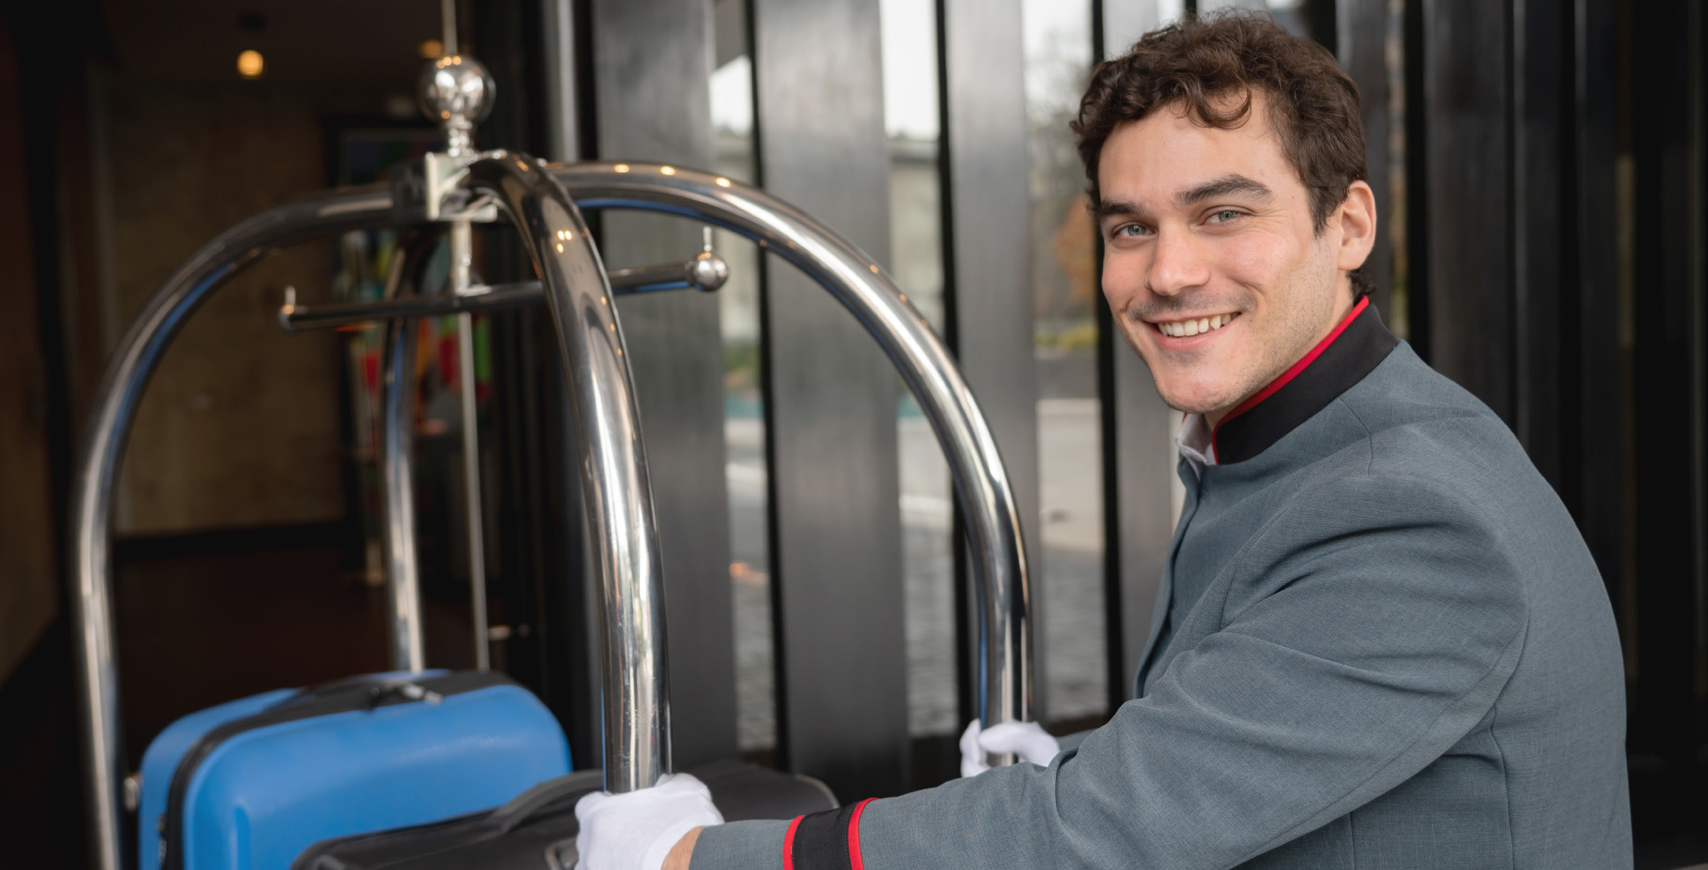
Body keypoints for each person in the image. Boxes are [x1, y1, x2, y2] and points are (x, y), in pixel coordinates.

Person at [574, 12, 1632, 869]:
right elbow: (1246, 743)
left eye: (1223, 213)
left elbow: (1095, 838)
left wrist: (688, 858)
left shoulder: (1411, 513)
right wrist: (1077, 764)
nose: (1165, 272)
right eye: (1132, 226)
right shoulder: (1294, 438)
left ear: (1348, 225)